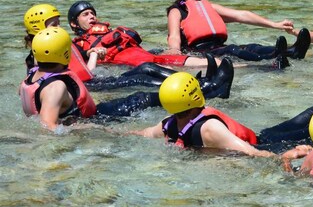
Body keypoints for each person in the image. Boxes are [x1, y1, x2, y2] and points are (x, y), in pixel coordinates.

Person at [20, 28, 231, 131]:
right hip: (96, 120)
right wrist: (85, 129)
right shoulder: (55, 86)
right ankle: (210, 90)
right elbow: (47, 126)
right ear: (65, 53)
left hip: (94, 114)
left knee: (142, 93)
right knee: (143, 98)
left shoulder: (33, 75)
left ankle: (203, 85)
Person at [166, 0, 310, 67]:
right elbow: (174, 36)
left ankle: (291, 52)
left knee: (253, 47)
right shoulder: (177, 11)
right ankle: (272, 60)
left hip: (218, 47)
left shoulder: (210, 7)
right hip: (199, 52)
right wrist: (175, 51)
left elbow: (242, 15)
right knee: (234, 50)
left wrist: (275, 25)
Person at [23, 3, 185, 91]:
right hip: (91, 85)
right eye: (55, 25)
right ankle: (183, 89)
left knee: (147, 66)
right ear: (39, 28)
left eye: (59, 23)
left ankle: (189, 82)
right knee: (141, 80)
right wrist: (93, 55)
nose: (60, 28)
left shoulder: (58, 46)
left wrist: (91, 54)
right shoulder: (41, 55)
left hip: (93, 80)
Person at [131, 72, 276, 157]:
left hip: (263, 142)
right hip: (265, 143)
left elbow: (144, 133)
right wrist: (282, 159)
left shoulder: (168, 125)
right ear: (195, 95)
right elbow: (253, 153)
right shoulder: (210, 128)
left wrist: (111, 132)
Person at [68, 0, 216, 69]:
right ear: (74, 23)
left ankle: (235, 67)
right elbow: (85, 69)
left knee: (200, 60)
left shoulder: (111, 32)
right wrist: (92, 53)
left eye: (93, 13)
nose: (92, 17)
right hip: (135, 63)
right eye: (85, 15)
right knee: (164, 68)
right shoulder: (78, 45)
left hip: (147, 55)